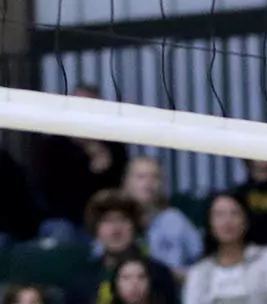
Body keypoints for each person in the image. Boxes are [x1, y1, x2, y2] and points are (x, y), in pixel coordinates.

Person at [29, 85, 129, 241]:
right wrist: (89, 166)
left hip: (103, 220)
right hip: (62, 220)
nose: (83, 113)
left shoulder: (113, 148)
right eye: (78, 106)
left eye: (90, 107)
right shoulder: (51, 147)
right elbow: (48, 193)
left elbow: (118, 191)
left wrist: (104, 170)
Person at [78, 189, 180, 304]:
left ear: (135, 226)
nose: (116, 229)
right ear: (96, 229)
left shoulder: (158, 274)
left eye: (122, 219)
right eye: (107, 221)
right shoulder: (82, 279)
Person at [182, 193, 267, 304]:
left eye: (235, 213)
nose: (227, 221)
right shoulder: (198, 272)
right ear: (209, 224)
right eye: (219, 215)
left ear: (246, 220)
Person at [123, 156, 203, 277]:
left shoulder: (174, 219)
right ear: (127, 183)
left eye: (155, 177)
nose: (148, 183)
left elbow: (201, 262)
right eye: (141, 177)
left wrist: (173, 276)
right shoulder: (116, 222)